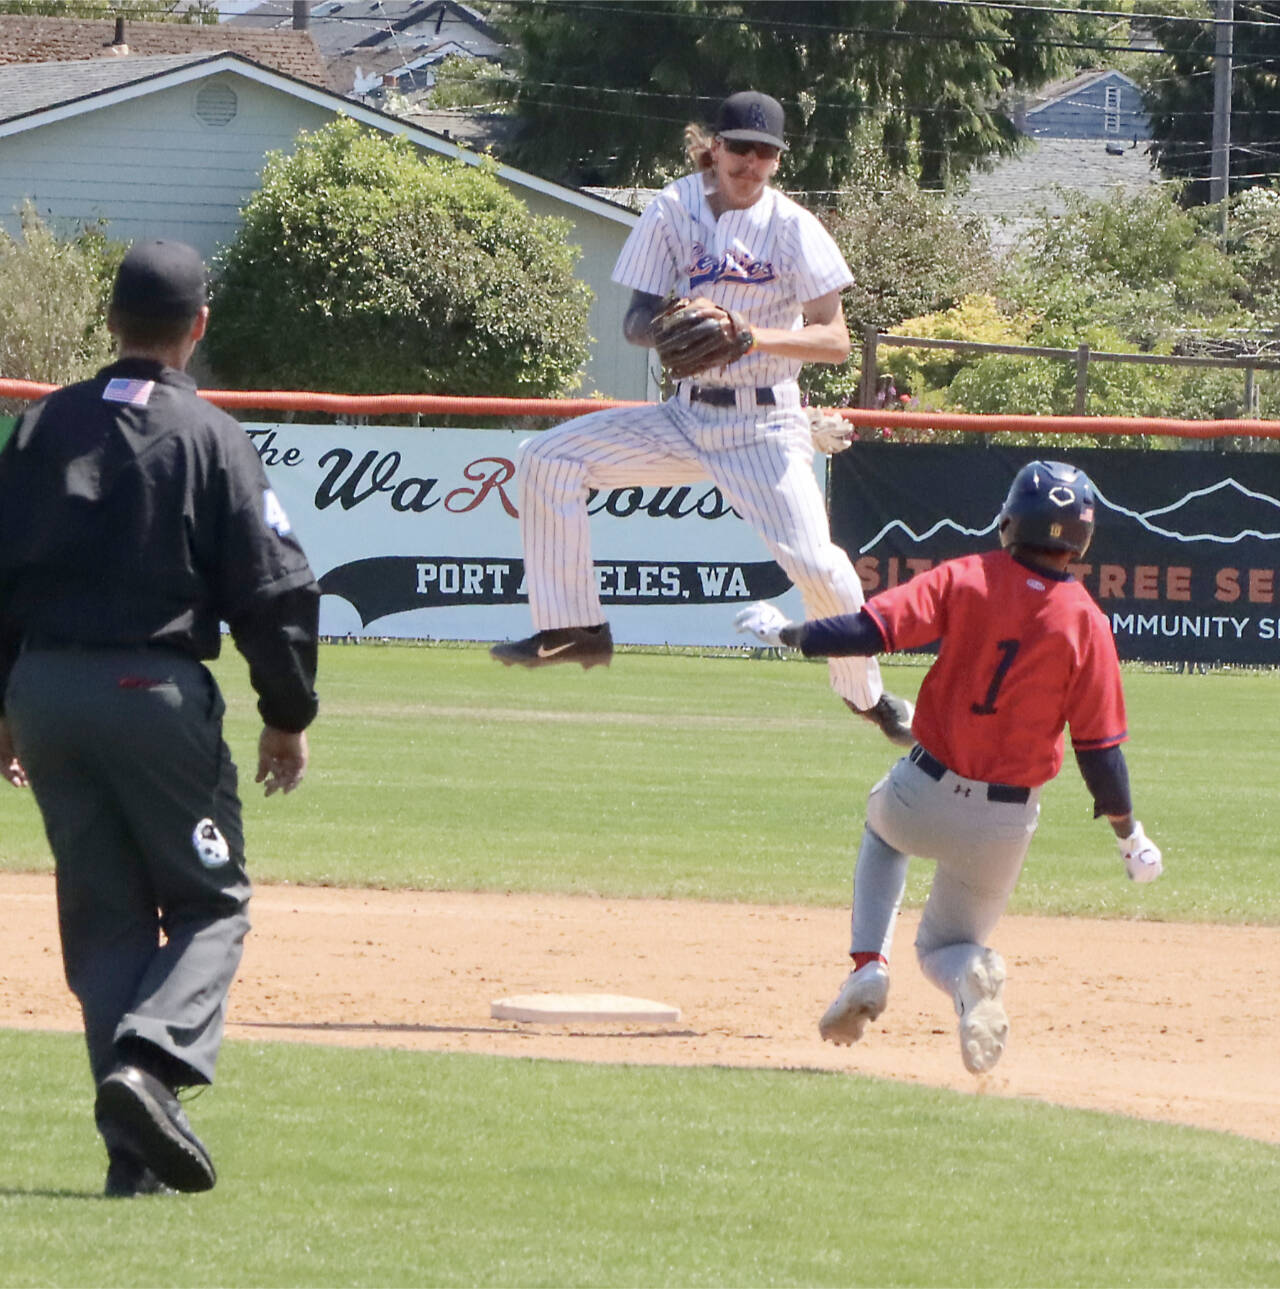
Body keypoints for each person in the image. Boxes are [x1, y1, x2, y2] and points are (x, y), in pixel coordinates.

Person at [0, 240, 320, 1197]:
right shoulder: (209, 434)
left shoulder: (37, 425)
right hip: (152, 689)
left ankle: (130, 1158)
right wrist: (286, 712)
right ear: (199, 327)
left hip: (45, 691)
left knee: (105, 924)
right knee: (209, 901)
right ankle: (150, 1061)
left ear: (110, 322)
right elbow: (277, 586)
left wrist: (6, 705)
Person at [491, 90, 914, 747]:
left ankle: (868, 696)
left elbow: (834, 340)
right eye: (740, 147)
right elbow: (635, 318)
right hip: (685, 416)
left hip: (765, 426)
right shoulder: (673, 208)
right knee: (547, 459)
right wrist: (669, 329)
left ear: (778, 159)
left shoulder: (793, 226)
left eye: (765, 152)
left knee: (822, 569)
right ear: (711, 146)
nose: (751, 162)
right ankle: (575, 627)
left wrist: (751, 335)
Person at [734, 460, 1163, 1074]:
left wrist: (790, 634)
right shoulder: (1089, 625)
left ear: (1011, 520)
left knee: (883, 834)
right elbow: (1100, 753)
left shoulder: (968, 577)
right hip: (1006, 823)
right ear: (1083, 537)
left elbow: (868, 630)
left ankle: (866, 968)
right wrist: (1130, 836)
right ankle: (971, 980)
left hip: (923, 791)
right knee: (946, 946)